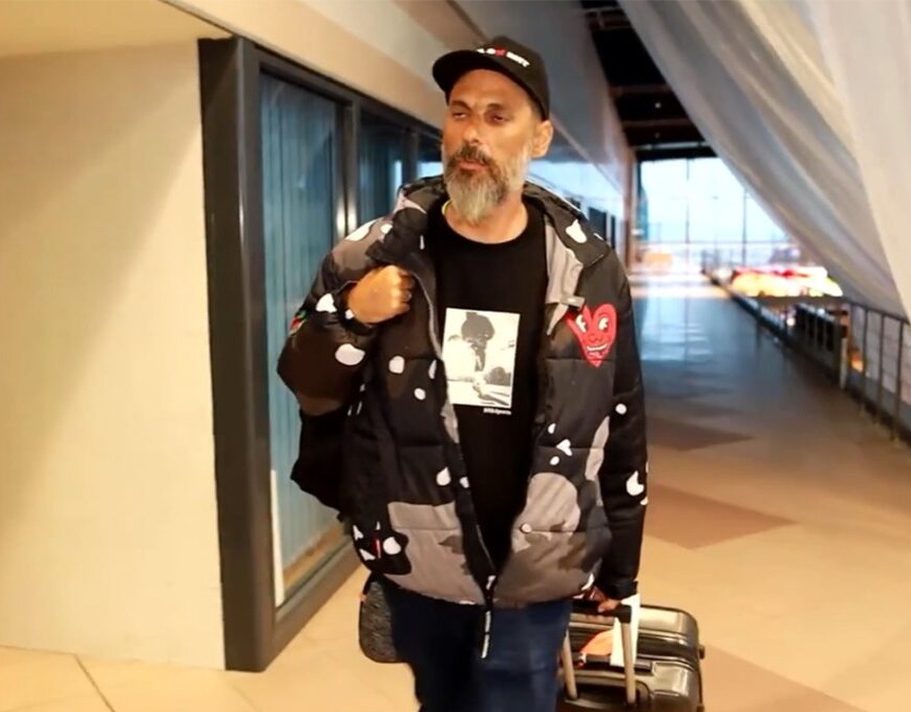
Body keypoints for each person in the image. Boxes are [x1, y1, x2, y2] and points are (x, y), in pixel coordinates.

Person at [278, 35, 648, 712]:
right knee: (440, 700)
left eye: (497, 116)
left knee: (521, 698)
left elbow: (621, 416)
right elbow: (305, 380)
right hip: (421, 554)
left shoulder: (588, 272)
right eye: (460, 112)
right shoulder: (372, 255)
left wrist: (620, 562)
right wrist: (352, 314)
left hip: (541, 561)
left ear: (539, 138)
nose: (473, 134)